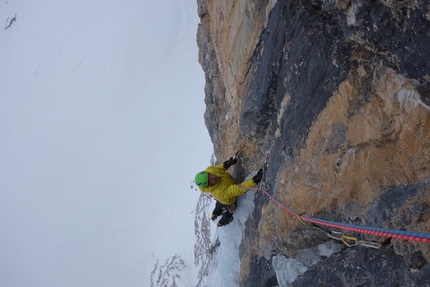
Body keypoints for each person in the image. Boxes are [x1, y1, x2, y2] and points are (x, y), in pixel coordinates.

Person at [195, 156, 263, 227]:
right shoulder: (221, 192)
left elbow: (219, 168)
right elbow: (239, 189)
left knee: (219, 204)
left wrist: (228, 163)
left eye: (211, 175)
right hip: (229, 201)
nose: (214, 177)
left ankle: (215, 213)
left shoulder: (210, 170)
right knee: (228, 213)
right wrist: (254, 180)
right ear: (209, 185)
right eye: (211, 179)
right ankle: (222, 222)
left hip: (220, 199)